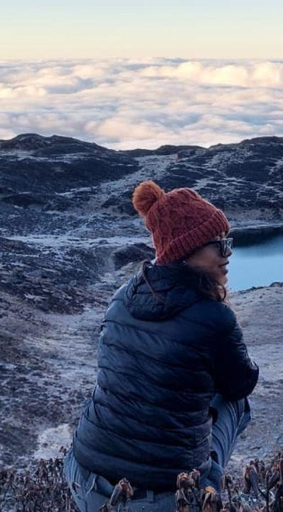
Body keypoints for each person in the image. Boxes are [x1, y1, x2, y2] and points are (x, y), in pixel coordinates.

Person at [63, 181, 259, 512]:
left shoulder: (123, 297)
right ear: (188, 249)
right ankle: (206, 486)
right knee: (235, 402)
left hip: (83, 475)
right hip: (158, 497)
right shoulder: (214, 317)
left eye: (229, 242)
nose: (228, 253)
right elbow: (242, 383)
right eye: (219, 245)